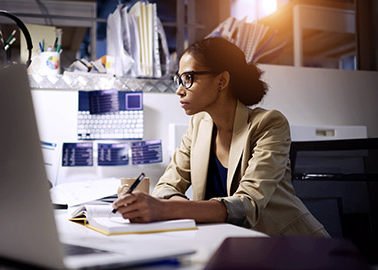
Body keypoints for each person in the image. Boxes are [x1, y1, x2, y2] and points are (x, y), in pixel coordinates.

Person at [112, 37, 329, 237]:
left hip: (289, 245)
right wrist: (173, 207)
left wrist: (166, 208)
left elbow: (247, 205)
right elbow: (166, 186)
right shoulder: (198, 125)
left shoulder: (269, 124)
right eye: (178, 79)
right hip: (230, 243)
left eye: (188, 78)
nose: (179, 90)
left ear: (222, 81)